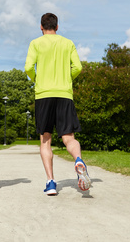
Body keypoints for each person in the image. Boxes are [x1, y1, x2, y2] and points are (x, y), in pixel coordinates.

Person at [25, 13, 91, 196]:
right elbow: (78, 67)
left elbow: (29, 67)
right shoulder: (68, 43)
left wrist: (37, 79)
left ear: (41, 27)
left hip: (43, 95)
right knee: (68, 137)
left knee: (45, 140)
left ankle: (51, 182)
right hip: (64, 95)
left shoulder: (35, 44)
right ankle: (78, 160)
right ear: (57, 26)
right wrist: (66, 79)